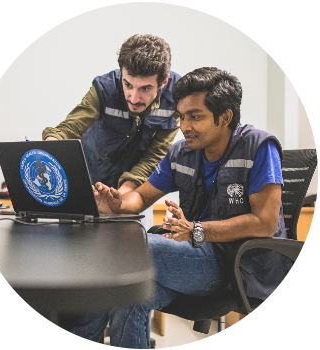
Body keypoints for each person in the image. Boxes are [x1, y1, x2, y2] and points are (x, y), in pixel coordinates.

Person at [59, 67, 293, 348]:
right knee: (128, 297)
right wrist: (118, 204)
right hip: (193, 254)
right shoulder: (181, 152)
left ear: (225, 117)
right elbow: (141, 198)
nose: (184, 126)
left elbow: (265, 222)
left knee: (130, 249)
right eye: (181, 116)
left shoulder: (258, 147)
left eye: (195, 117)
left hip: (239, 264)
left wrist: (197, 229)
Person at [42, 34, 181, 196]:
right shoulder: (104, 88)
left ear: (163, 82)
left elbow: (155, 155)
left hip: (133, 189)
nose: (134, 98)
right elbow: (68, 129)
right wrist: (48, 150)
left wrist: (120, 196)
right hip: (89, 184)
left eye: (145, 88)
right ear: (122, 72)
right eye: (127, 84)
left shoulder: (177, 97)